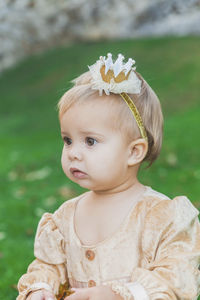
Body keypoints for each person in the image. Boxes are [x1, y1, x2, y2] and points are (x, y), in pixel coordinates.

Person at [17, 53, 200, 300]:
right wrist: (40, 288)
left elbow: (177, 278)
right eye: (68, 140)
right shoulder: (63, 219)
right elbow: (48, 267)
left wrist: (120, 295)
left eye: (90, 141)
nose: (73, 153)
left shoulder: (161, 217)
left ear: (134, 152)